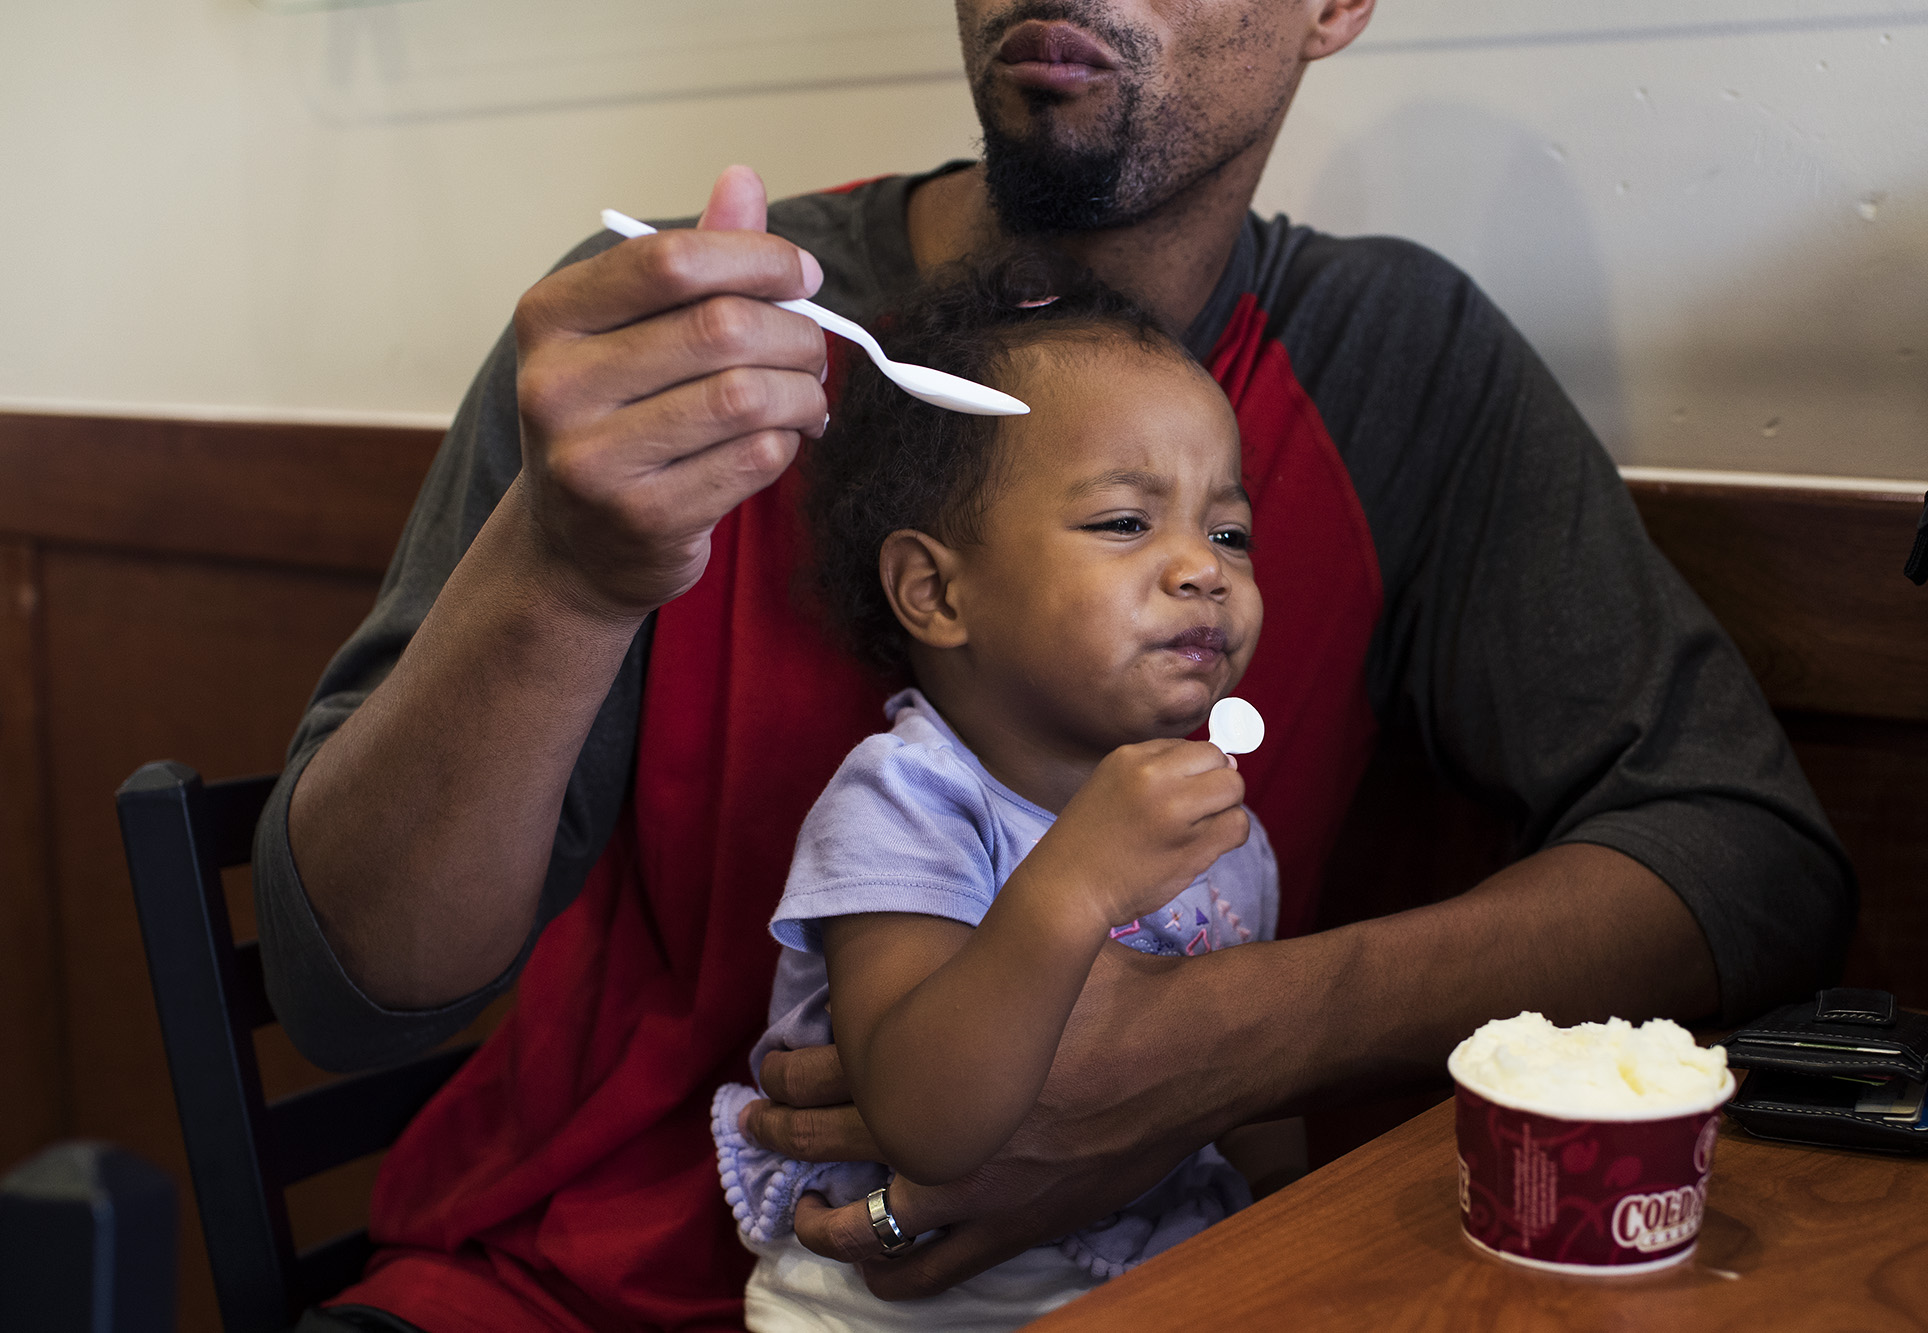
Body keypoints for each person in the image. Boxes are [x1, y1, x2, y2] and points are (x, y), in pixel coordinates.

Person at [257, 2, 1852, 1330]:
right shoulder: (682, 349)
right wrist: (560, 571)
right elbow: (358, 984)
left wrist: (1202, 1049)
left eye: (1220, 531)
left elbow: (1749, 862)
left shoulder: (1394, 363)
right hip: (558, 1289)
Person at [717, 257, 1278, 1330]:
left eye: (1227, 531)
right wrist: (1073, 882)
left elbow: (1244, 1088)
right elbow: (926, 1121)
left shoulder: (1208, 813)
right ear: (936, 590)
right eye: (1124, 522)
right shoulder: (905, 800)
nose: (1202, 569)